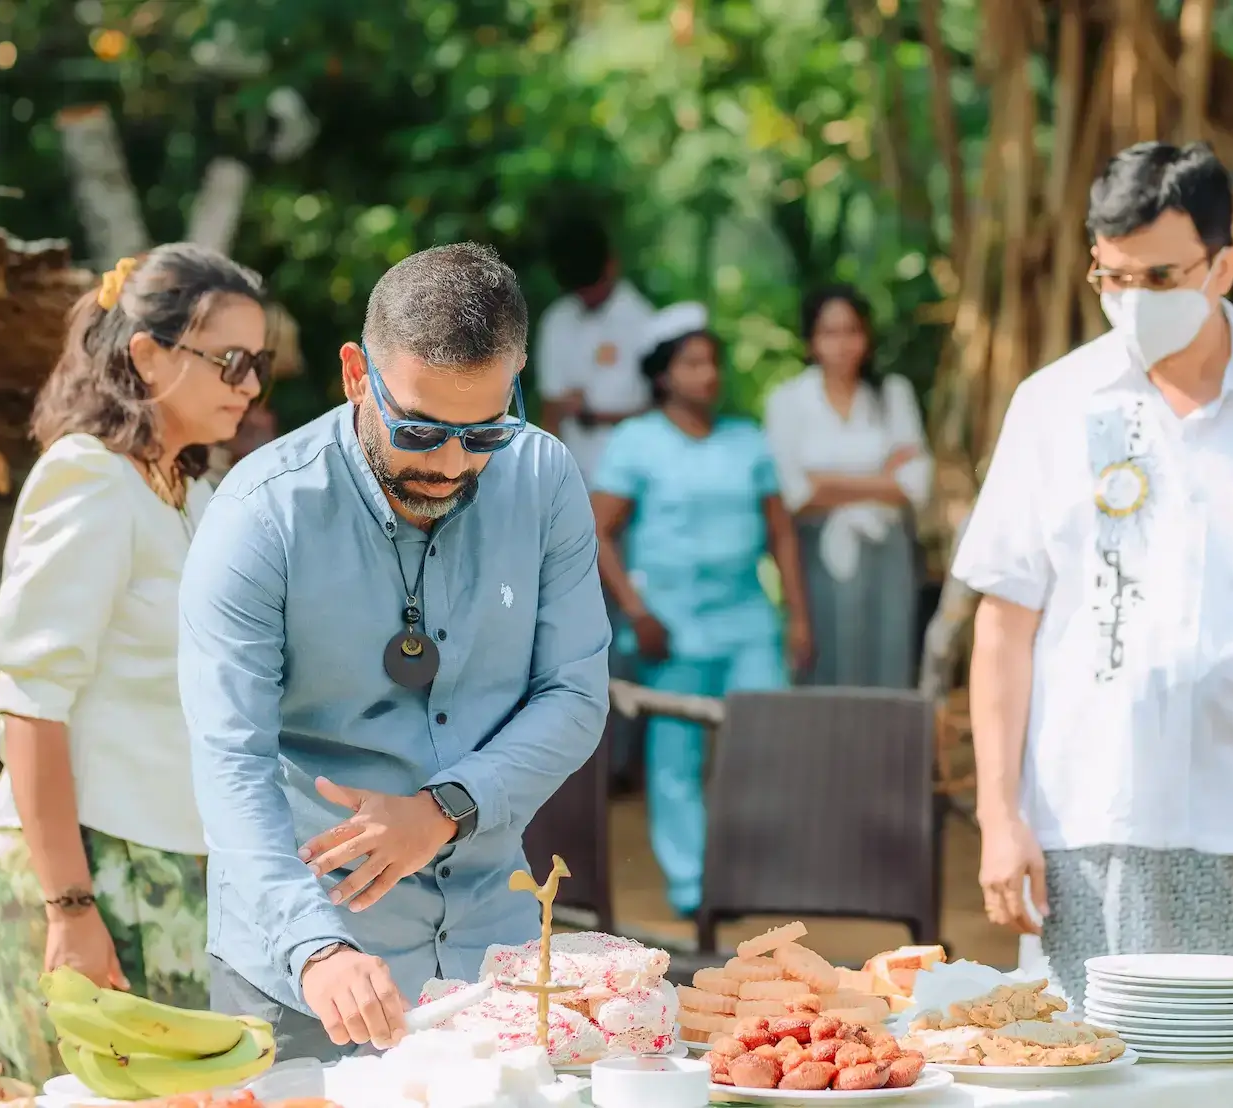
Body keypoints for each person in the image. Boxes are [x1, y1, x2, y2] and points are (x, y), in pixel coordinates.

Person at [954, 141, 1233, 1008]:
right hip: (1082, 823)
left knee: (1223, 1076)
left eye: (1159, 279)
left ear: (1223, 266)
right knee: (1076, 1070)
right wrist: (998, 813)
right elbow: (1004, 623)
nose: (1132, 302)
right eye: (1111, 277)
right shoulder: (1053, 406)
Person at [180, 243, 610, 1059]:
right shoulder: (259, 517)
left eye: (485, 430)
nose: (451, 464)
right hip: (309, 970)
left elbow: (574, 693)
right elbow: (229, 759)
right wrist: (317, 947)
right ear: (354, 373)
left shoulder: (544, 478)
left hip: (499, 960)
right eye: (421, 429)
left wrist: (444, 810)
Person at [0, 245, 269, 1082]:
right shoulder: (89, 478)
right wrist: (69, 905)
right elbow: (30, 704)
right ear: (146, 354)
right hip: (90, 864)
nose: (250, 385)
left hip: (166, 862)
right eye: (230, 361)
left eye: (260, 364)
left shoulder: (188, 495)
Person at [590, 303, 813, 918]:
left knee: (764, 750)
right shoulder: (637, 441)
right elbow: (597, 530)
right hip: (673, 629)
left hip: (748, 624)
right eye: (692, 363)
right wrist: (637, 613)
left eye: (712, 362)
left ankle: (756, 875)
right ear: (664, 375)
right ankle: (693, 891)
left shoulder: (746, 439)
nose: (707, 374)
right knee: (676, 762)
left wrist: (798, 616)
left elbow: (782, 534)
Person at [762, 286, 931, 688]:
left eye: (852, 331)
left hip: (887, 553)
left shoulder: (892, 395)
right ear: (811, 341)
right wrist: (880, 479)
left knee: (888, 658)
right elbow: (794, 495)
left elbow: (915, 483)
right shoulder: (787, 400)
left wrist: (827, 482)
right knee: (824, 662)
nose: (842, 345)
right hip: (813, 556)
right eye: (829, 333)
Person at [533, 215, 657, 485]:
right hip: (573, 472)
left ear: (612, 264)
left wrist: (594, 414)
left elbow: (660, 409)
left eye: (592, 287)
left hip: (633, 473)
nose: (586, 297)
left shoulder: (644, 322)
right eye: (579, 290)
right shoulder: (558, 321)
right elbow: (550, 411)